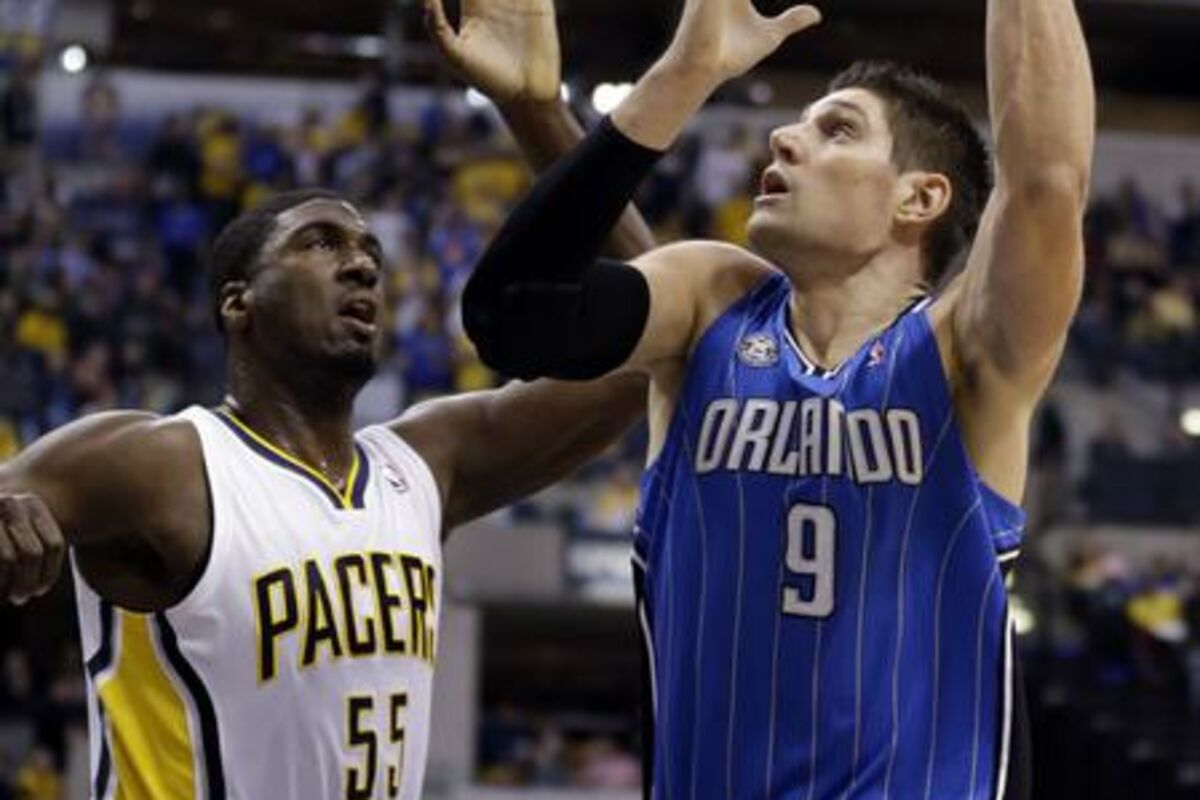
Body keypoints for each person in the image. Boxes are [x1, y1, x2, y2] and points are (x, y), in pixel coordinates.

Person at [0, 3, 655, 798]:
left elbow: (665, 330)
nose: (362, 265)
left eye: (371, 251)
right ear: (238, 303)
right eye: (321, 244)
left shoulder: (425, 464)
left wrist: (537, 112)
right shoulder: (161, 463)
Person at [462, 0, 1094, 795]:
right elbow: (508, 316)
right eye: (800, 124)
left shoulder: (964, 350)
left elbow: (1047, 180)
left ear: (919, 199)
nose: (784, 139)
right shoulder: (709, 300)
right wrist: (680, 77)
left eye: (839, 131)